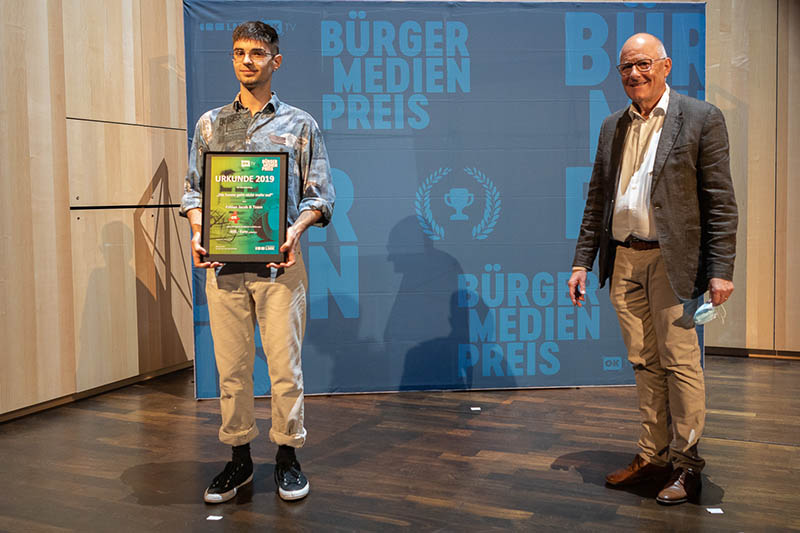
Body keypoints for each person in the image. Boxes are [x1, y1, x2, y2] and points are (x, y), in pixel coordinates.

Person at [567, 33, 737, 505]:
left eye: (643, 64)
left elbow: (721, 202)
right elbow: (597, 200)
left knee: (680, 363)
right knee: (644, 363)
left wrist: (721, 269)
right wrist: (583, 261)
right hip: (623, 257)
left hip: (673, 261)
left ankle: (688, 465)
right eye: (625, 67)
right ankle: (652, 456)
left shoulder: (701, 119)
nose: (634, 74)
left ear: (665, 67)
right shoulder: (612, 126)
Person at [181, 21, 335, 503]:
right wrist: (197, 228)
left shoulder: (300, 124)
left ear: (276, 61)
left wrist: (294, 229)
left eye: (257, 53)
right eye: (239, 52)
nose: (247, 60)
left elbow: (321, 196)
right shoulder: (210, 124)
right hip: (223, 268)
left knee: (285, 369)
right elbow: (193, 189)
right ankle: (239, 460)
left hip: (279, 266)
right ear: (232, 59)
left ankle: (288, 457)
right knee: (231, 371)